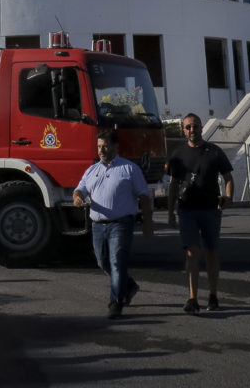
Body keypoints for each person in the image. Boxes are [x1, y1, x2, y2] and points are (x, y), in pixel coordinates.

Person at [73, 128, 154, 320]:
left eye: (105, 146)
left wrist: (148, 222)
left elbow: (143, 195)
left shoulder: (129, 169)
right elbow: (80, 189)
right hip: (97, 225)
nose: (101, 150)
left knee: (117, 262)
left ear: (116, 147)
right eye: (99, 146)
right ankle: (129, 285)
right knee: (103, 262)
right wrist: (77, 197)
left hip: (121, 224)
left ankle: (116, 302)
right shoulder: (92, 170)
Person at [167, 113, 234, 314]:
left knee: (212, 252)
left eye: (195, 126)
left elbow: (228, 178)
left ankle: (213, 295)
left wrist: (228, 197)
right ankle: (192, 298)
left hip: (211, 210)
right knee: (192, 252)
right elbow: (172, 185)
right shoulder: (178, 154)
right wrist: (170, 212)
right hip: (187, 211)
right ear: (183, 130)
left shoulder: (214, 152)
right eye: (188, 127)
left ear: (201, 127)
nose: (192, 130)